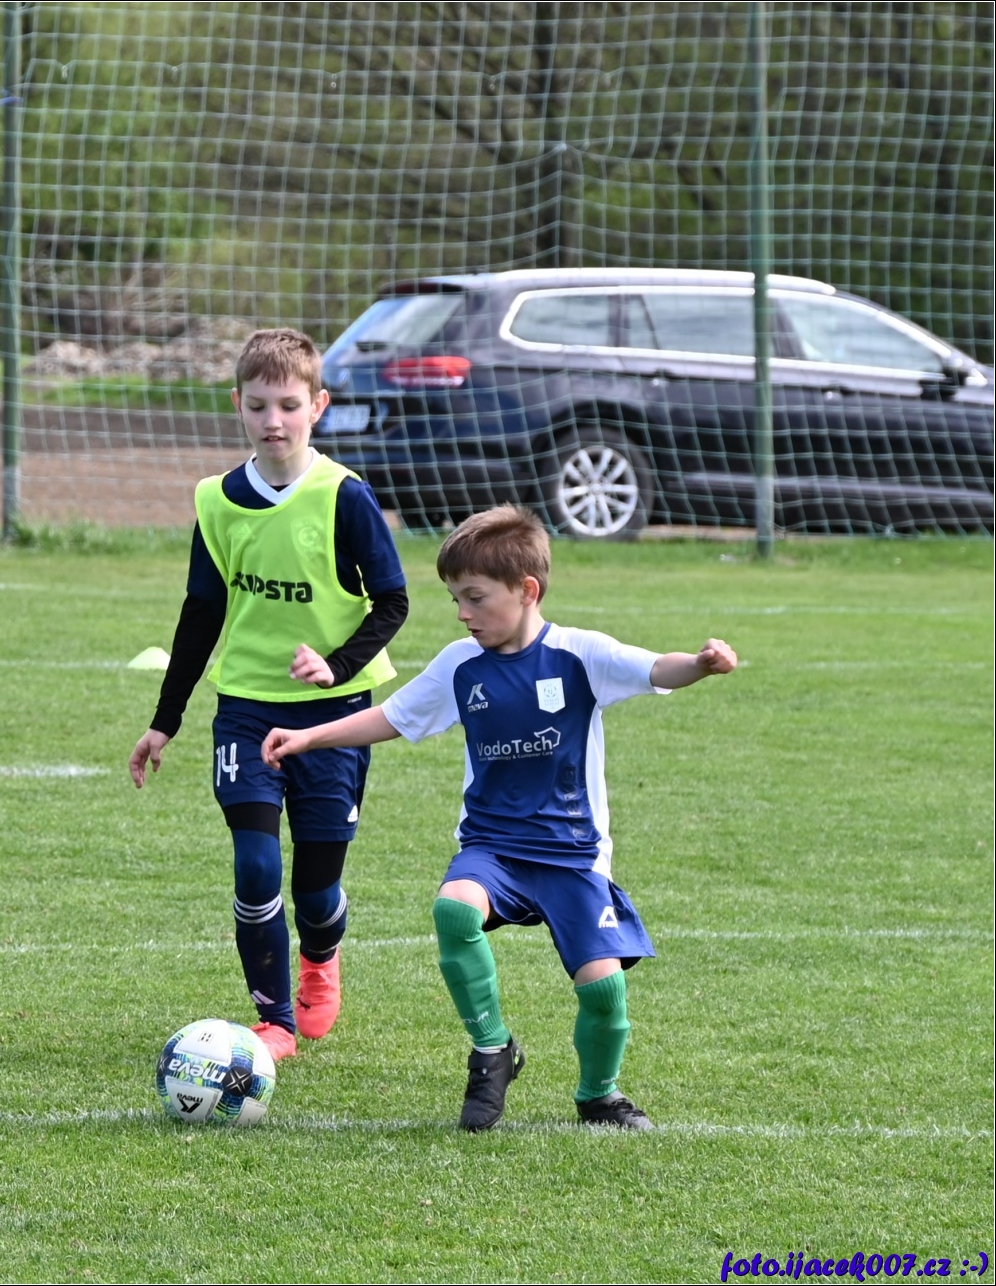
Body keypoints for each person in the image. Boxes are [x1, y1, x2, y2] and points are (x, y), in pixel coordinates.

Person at [261, 505, 738, 1130]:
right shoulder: (461, 664)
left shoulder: (578, 653)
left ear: (526, 591)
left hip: (571, 854)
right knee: (454, 908)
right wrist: (308, 737)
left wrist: (700, 664)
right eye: (456, 599)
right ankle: (492, 1051)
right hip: (493, 848)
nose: (463, 613)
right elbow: (393, 716)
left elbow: (653, 668)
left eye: (475, 598)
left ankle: (599, 1096)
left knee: (604, 992)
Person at [128, 328, 410, 1061]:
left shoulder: (345, 496)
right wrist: (164, 720)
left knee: (315, 889)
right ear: (238, 405)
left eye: (288, 405)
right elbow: (201, 613)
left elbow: (393, 601)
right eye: (258, 406)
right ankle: (274, 1019)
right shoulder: (217, 500)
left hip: (337, 715)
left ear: (318, 405)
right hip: (247, 709)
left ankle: (321, 956)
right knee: (255, 865)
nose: (273, 421)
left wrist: (336, 666)